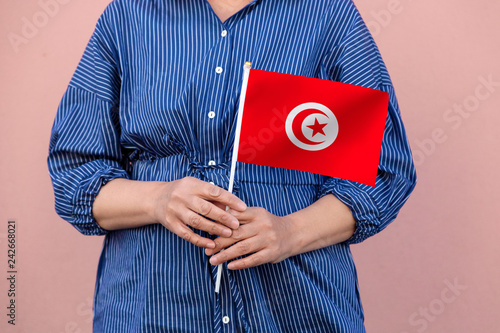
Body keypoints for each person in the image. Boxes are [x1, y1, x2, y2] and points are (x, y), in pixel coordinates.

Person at [47, 0, 416, 332]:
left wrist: (291, 231)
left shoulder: (327, 14)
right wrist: (158, 198)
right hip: (148, 306)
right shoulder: (128, 16)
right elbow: (74, 176)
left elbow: (383, 170)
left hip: (297, 307)